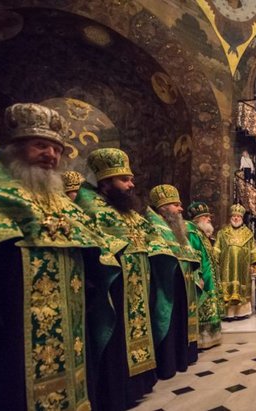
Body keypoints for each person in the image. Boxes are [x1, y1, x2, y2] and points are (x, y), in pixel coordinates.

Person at [0, 103, 123, 410]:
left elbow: (95, 248)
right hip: (13, 318)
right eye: (41, 146)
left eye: (56, 149)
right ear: (15, 148)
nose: (50, 156)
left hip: (70, 316)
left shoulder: (64, 204)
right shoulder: (1, 194)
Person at [77, 148, 173, 407]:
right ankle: (115, 393)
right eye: (125, 180)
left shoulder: (128, 212)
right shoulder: (92, 208)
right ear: (106, 182)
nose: (131, 185)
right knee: (117, 339)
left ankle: (137, 385)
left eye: (131, 179)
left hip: (138, 286)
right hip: (113, 287)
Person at [147, 185, 201, 367]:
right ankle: (169, 362)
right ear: (163, 207)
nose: (181, 209)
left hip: (183, 285)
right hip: (167, 285)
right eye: (176, 205)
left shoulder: (178, 229)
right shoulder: (154, 226)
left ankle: (182, 356)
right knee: (168, 321)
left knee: (181, 322)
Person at [187, 201, 222, 349]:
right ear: (199, 218)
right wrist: (198, 276)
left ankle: (211, 338)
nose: (209, 219)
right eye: (206, 217)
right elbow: (194, 256)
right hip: (203, 278)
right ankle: (202, 339)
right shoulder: (192, 232)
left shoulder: (202, 233)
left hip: (210, 277)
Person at [215, 204, 256, 319]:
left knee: (242, 290)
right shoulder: (222, 232)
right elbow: (217, 248)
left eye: (238, 216)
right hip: (226, 266)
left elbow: (253, 249)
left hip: (243, 267)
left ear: (242, 218)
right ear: (231, 217)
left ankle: (241, 313)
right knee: (227, 290)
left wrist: (254, 264)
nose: (236, 218)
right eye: (234, 216)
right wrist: (215, 261)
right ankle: (227, 313)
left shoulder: (248, 233)